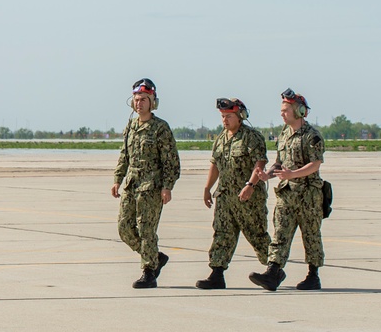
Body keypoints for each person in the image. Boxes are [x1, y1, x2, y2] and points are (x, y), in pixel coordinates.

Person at [249, 88, 325, 291]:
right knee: (280, 234)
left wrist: (293, 174)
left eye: (285, 110)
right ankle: (273, 272)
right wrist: (268, 174)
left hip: (308, 194)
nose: (282, 114)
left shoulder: (312, 136)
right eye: (281, 110)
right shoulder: (283, 135)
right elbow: (279, 163)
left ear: (299, 111)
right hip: (287, 194)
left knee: (311, 235)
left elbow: (316, 164)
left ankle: (313, 275)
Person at [111, 78, 181, 289]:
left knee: (146, 230)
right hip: (132, 185)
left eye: (144, 99)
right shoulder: (131, 126)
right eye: (136, 99)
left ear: (152, 102)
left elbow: (171, 161)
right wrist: (117, 179)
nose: (139, 103)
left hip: (151, 187)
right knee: (124, 228)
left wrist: (167, 186)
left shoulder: (160, 128)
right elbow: (125, 155)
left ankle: (149, 272)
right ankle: (155, 257)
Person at [197, 98, 271, 289]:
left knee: (257, 235)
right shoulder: (222, 137)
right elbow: (215, 164)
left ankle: (274, 268)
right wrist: (207, 188)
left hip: (248, 198)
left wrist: (250, 185)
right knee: (222, 234)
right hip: (225, 197)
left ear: (240, 116)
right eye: (223, 116)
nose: (225, 120)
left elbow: (259, 163)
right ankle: (217, 273)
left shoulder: (251, 137)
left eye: (228, 116)